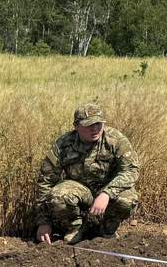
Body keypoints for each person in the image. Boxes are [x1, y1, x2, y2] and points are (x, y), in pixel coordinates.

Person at [35, 103, 141, 245]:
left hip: (108, 190)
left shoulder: (116, 140)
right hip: (80, 192)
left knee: (127, 200)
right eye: (89, 125)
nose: (95, 129)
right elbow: (46, 181)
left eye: (98, 124)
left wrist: (107, 194)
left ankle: (106, 229)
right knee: (58, 195)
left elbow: (131, 170)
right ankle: (76, 227)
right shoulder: (63, 144)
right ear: (76, 126)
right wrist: (44, 222)